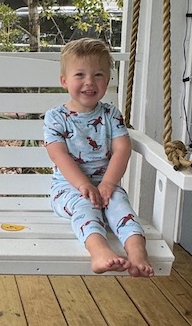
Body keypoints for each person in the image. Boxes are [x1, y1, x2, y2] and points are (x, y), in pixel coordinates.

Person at [43, 37, 154, 277]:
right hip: (68, 188)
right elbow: (58, 154)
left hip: (106, 185)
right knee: (84, 206)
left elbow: (122, 148)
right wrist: (83, 184)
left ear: (108, 80)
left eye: (98, 75)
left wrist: (108, 184)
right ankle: (99, 250)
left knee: (120, 206)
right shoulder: (55, 117)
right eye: (80, 75)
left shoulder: (111, 114)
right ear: (64, 81)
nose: (89, 82)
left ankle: (136, 252)